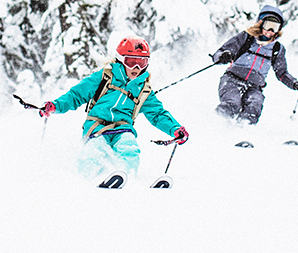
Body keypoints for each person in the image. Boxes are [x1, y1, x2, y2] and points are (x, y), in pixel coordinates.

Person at [39, 36, 189, 179]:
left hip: (123, 128)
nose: (136, 68)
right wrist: (55, 106)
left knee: (130, 149)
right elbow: (76, 94)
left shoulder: (144, 90)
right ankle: (84, 180)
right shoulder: (104, 77)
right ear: (121, 60)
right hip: (97, 126)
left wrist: (174, 128)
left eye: (142, 62)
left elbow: (157, 114)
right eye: (131, 62)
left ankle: (127, 178)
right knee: (95, 151)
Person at [212, 4, 298, 125]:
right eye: (268, 26)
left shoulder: (277, 49)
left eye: (275, 27)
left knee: (254, 106)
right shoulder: (246, 38)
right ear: (260, 24)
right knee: (232, 104)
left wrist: (295, 84)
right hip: (232, 80)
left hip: (254, 86)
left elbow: (281, 73)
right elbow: (218, 54)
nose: (270, 31)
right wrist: (225, 55)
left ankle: (242, 131)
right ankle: (215, 124)